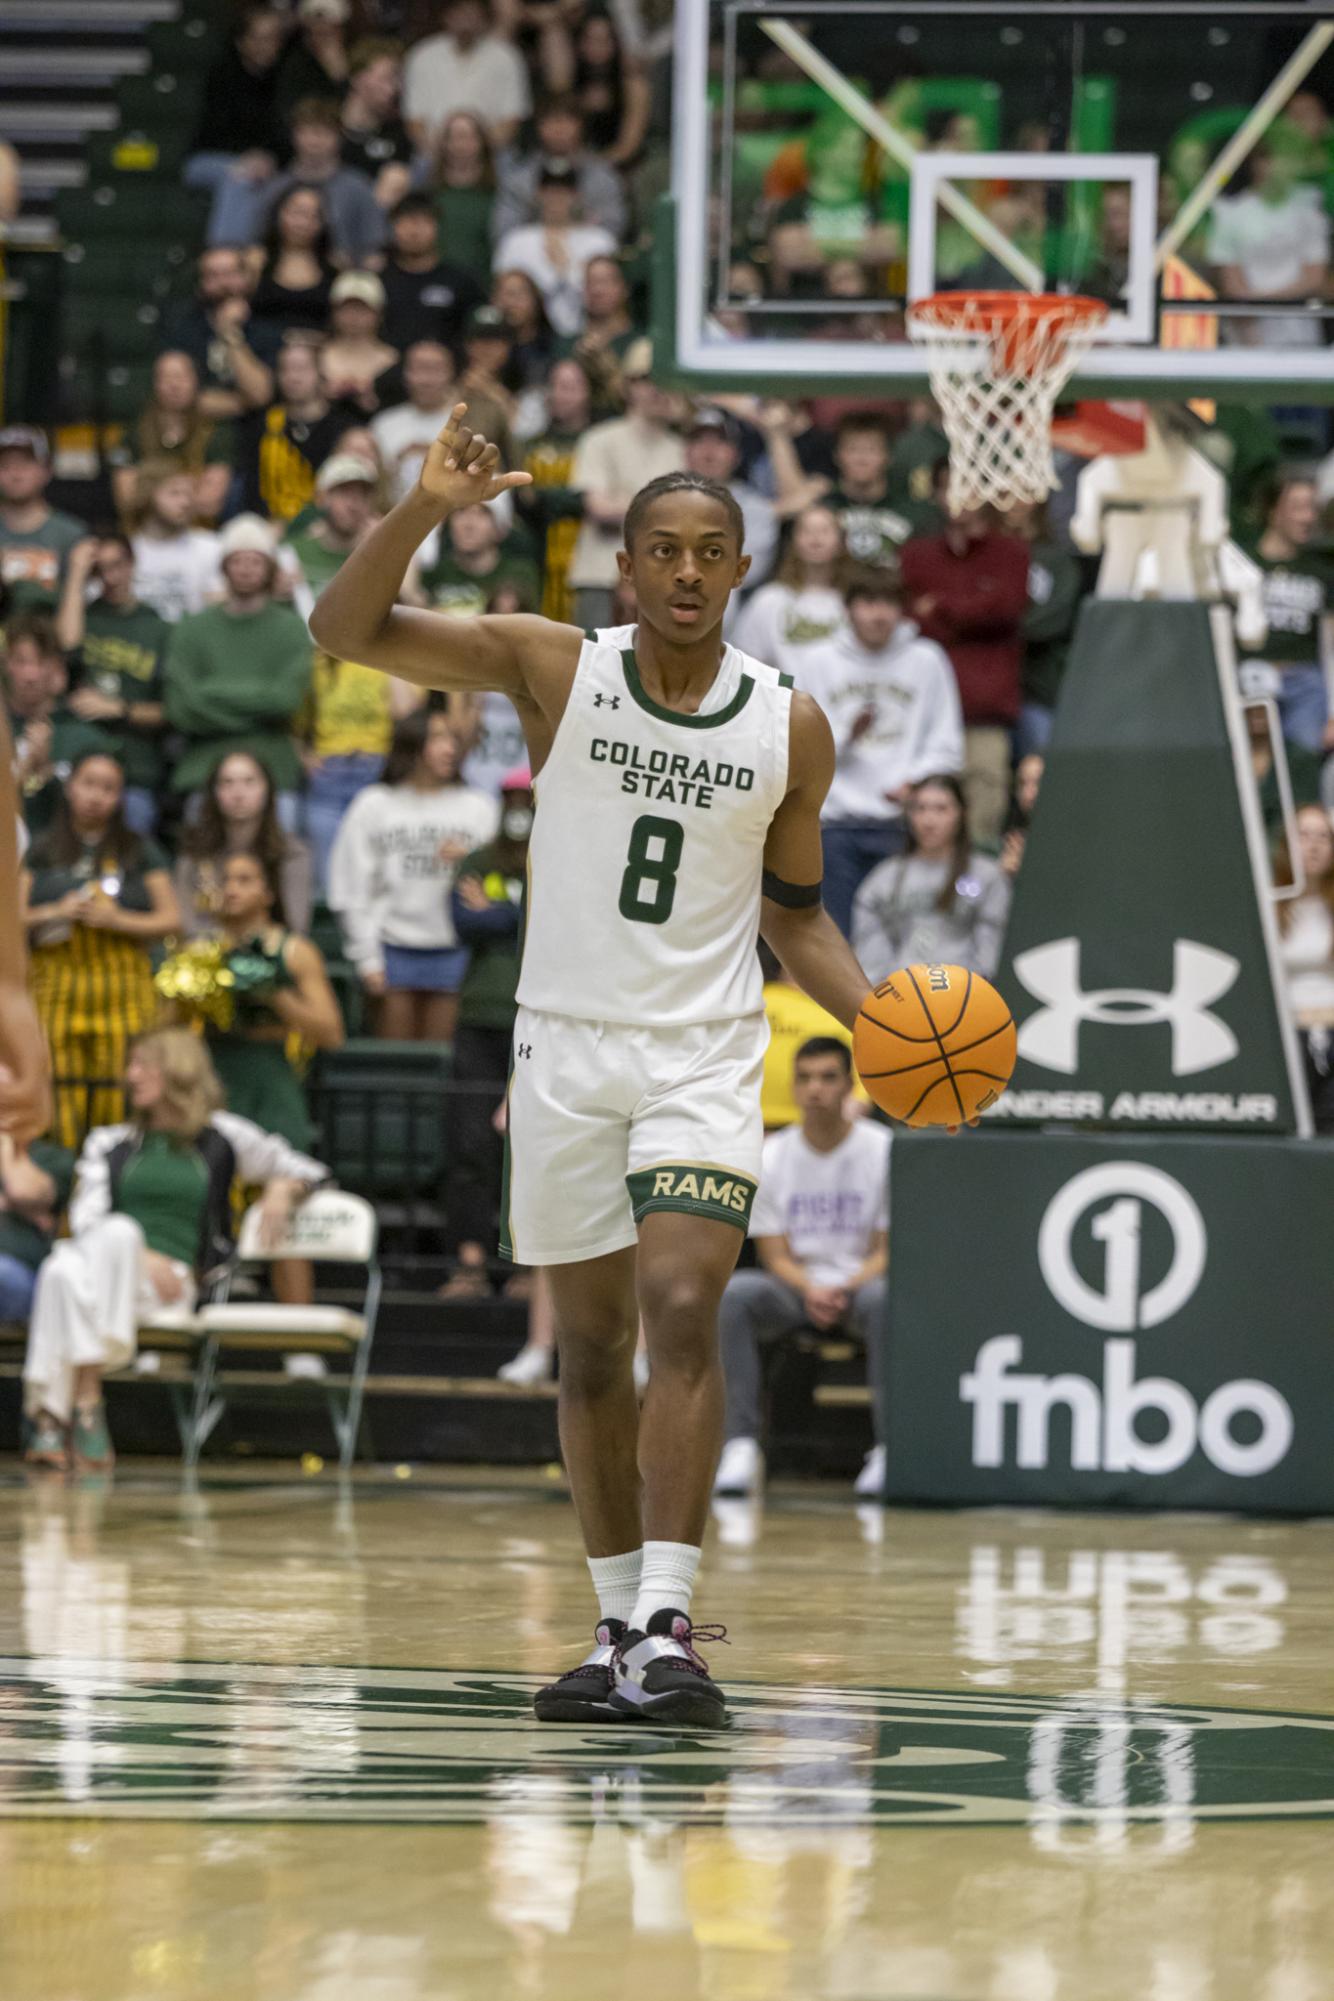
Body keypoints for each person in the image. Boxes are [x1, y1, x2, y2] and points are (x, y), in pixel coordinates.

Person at [310, 403, 877, 1730]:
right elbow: (342, 632)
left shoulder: (788, 727)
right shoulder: (553, 665)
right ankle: (618, 1630)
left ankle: (672, 1624)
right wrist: (419, 511)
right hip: (562, 1047)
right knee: (591, 1351)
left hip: (698, 1051)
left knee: (682, 1302)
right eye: (661, 548)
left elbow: (793, 913)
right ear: (625, 569)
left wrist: (882, 1022)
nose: (685, 571)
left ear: (743, 568)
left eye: (711, 549)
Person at [21, 1028, 328, 1475]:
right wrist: (141, 1255)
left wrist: (282, 1191)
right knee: (73, 1262)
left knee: (68, 1265)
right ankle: (85, 1403)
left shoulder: (222, 1135)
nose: (130, 1076)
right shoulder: (109, 1143)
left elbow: (311, 1170)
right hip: (116, 1275)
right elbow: (89, 1223)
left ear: (177, 1068)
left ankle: (51, 1415)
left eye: (142, 1065)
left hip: (171, 1285)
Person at [713, 1037, 890, 1501]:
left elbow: (886, 1251)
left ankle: (889, 1448)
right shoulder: (771, 1155)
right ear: (792, 1086)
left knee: (887, 1299)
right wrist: (812, 1289)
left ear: (849, 1086)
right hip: (794, 1289)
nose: (816, 1089)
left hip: (861, 1286)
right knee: (736, 1295)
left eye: (828, 1078)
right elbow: (774, 1255)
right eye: (805, 1078)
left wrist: (841, 1287)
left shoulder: (883, 1149)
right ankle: (741, 1446)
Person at [21, 749, 180, 1149]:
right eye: (89, 784)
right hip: (56, 988)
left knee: (119, 1089)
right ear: (70, 787)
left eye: (109, 788)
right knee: (59, 1090)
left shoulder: (139, 849)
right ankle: (62, 1182)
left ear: (120, 797)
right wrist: (55, 911)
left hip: (122, 991)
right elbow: (12, 917)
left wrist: (118, 919)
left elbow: (172, 920)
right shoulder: (42, 849)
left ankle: (115, 1174)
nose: (96, 796)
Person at [798, 574, 964, 938]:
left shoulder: (927, 659)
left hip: (902, 824)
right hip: (834, 826)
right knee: (834, 937)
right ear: (849, 609)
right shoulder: (817, 662)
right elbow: (797, 750)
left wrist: (916, 782)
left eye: (888, 604)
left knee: (898, 938)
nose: (879, 615)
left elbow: (947, 744)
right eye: (868, 603)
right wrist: (845, 736)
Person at [328, 709, 499, 1039]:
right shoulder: (374, 804)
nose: (449, 748)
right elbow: (349, 887)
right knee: (396, 1065)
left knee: (442, 1064)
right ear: (411, 743)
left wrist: (472, 858)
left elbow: (505, 873)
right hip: (392, 947)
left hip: (458, 951)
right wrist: (367, 959)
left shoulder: (478, 807)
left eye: (453, 738)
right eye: (437, 738)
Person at [439, 766, 532, 1297]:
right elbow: (463, 924)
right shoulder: (477, 860)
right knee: (471, 1143)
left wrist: (502, 910)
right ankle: (469, 1263)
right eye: (511, 798)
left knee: (532, 1146)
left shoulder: (558, 858)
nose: (519, 807)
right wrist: (519, 913)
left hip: (537, 1022)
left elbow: (560, 921)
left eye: (528, 798)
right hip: (479, 1017)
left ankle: (526, 1267)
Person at [163, 514, 313, 817]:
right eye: (237, 561)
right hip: (204, 770)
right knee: (200, 853)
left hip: (275, 772)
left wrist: (209, 692)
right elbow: (180, 709)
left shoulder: (292, 629)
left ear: (270, 568)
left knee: (281, 842)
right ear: (223, 567)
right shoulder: (191, 629)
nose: (245, 570)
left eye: (255, 561)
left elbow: (286, 701)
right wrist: (259, 710)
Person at [901, 506, 1029, 846]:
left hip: (983, 710)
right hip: (920, 716)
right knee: (923, 817)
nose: (961, 500)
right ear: (938, 494)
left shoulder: (1010, 552)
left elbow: (1006, 611)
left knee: (983, 828)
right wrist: (976, 611)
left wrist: (941, 606)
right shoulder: (917, 553)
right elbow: (909, 623)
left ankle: (974, 896)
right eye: (950, 487)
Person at [201, 851, 344, 1153]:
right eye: (225, 880)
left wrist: (274, 993)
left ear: (268, 893)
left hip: (270, 1074)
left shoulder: (295, 950)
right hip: (212, 1071)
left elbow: (331, 1033)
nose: (231, 889)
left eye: (244, 880)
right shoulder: (200, 951)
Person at [55, 533, 169, 837]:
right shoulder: (84, 617)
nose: (111, 577)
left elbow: (174, 711)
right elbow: (67, 645)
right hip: (80, 760)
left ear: (132, 563)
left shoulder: (158, 626)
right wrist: (77, 576)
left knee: (134, 821)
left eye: (117, 565)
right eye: (101, 569)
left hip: (136, 768)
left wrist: (119, 709)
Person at [566, 341, 684, 629]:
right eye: (645, 380)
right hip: (600, 574)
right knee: (594, 668)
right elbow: (598, 508)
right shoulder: (599, 439)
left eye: (663, 380)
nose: (656, 388)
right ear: (628, 386)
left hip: (663, 578)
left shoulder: (681, 447)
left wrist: (626, 503)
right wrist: (663, 509)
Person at [851, 772, 1011, 986]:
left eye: (941, 809)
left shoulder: (987, 875)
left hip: (965, 994)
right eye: (920, 809)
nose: (929, 820)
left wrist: (978, 986)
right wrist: (883, 986)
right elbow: (870, 944)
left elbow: (991, 946)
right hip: (900, 993)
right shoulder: (884, 878)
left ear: (961, 813)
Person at [225, 99, 387, 267]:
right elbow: (255, 244)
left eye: (323, 133)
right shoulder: (275, 187)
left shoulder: (357, 187)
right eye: (306, 132)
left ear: (340, 137)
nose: (314, 141)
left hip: (344, 279)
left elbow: (374, 251)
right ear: (294, 135)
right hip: (282, 278)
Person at [175, 749, 314, 940]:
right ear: (214, 792)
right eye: (227, 783)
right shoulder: (195, 851)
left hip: (270, 957)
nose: (238, 793)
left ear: (268, 789)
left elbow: (297, 927)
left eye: (249, 782)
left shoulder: (291, 852)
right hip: (208, 955)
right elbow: (187, 922)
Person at [1242, 473, 1334, 756]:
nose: (1307, 517)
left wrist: (1333, 713)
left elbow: (1331, 648)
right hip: (1247, 677)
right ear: (1272, 510)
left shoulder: (1321, 573)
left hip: (1304, 682)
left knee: (1301, 762)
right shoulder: (1242, 565)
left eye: (1312, 508)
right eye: (1297, 507)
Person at [1209, 142, 1329, 349]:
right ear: (1256, 164)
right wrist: (1251, 312)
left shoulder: (1309, 210)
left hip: (1300, 331)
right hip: (1247, 330)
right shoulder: (1228, 212)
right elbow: (1230, 281)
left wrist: (1263, 301)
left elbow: (1316, 277)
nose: (1279, 167)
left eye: (1287, 161)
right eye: (1271, 160)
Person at [184, 4, 288, 239]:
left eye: (273, 38)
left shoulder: (284, 78)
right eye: (259, 38)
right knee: (240, 179)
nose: (266, 46)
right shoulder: (222, 76)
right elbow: (216, 132)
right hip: (210, 159)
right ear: (242, 42)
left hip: (267, 166)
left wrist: (268, 157)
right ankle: (224, 256)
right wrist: (249, 158)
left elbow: (284, 137)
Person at [4, 613, 110, 840]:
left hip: (60, 859)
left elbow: (97, 817)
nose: (30, 674)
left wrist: (45, 771)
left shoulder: (86, 739)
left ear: (56, 668)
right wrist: (21, 772)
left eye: (40, 662)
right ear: (6, 664)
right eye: (21, 661)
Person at [492, 158, 618, 340]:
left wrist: (564, 270)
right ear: (538, 194)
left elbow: (608, 295)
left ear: (577, 195)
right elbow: (504, 296)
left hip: (588, 335)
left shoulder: (599, 240)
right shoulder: (516, 241)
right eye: (549, 191)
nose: (557, 198)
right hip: (529, 340)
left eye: (564, 191)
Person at [234, 339, 358, 522]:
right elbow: (252, 487)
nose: (293, 377)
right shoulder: (263, 425)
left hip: (326, 529)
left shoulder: (343, 428)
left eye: (301, 369)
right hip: (269, 526)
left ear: (320, 373)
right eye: (285, 369)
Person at [772, 413, 914, 568]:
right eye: (852, 450)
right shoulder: (823, 503)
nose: (862, 459)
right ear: (837, 456)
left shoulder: (911, 508)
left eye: (872, 450)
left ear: (888, 457)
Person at [111, 351, 233, 524]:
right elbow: (126, 498)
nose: (174, 385)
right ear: (154, 384)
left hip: (196, 535)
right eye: (166, 378)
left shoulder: (214, 432)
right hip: (145, 534)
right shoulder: (135, 431)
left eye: (181, 377)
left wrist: (155, 493)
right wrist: (178, 496)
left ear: (195, 382)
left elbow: (211, 502)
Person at [158, 246, 279, 420]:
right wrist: (246, 403)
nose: (223, 283)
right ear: (201, 284)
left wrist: (229, 333)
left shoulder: (266, 327)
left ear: (246, 278)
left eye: (230, 273)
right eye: (213, 275)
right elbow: (179, 398)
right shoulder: (185, 329)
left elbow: (260, 394)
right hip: (195, 429)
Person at [732, 504, 848, 680]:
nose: (815, 537)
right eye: (807, 531)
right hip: (784, 702)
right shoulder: (769, 599)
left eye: (825, 530)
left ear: (841, 542)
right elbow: (745, 663)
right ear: (793, 541)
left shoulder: (855, 600)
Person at [517, 356, 591, 624]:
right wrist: (577, 498)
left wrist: (551, 496)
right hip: (539, 550)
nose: (563, 395)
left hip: (586, 552)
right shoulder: (532, 444)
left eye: (572, 387)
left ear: (588, 392)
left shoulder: (596, 440)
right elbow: (525, 497)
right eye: (557, 386)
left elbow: (594, 497)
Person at [404, 0, 532, 153]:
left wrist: (478, 151)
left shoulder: (506, 56)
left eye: (471, 14)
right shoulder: (422, 55)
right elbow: (414, 120)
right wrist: (444, 152)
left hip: (492, 154)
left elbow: (512, 118)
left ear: (483, 18)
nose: (465, 21)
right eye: (459, 14)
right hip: (433, 154)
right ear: (446, 17)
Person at [494, 95, 627, 242]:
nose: (559, 129)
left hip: (588, 256)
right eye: (551, 121)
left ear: (580, 125)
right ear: (539, 127)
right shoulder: (518, 179)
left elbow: (613, 229)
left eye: (566, 121)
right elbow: (504, 231)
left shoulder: (603, 177)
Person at [1009, 498, 1083, 757]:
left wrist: (989, 625)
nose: (1014, 502)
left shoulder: (1056, 560)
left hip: (1038, 691)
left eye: (1023, 492)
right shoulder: (982, 554)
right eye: (1004, 492)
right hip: (986, 696)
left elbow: (1053, 620)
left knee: (1040, 773)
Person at [1276, 804, 1334, 1132]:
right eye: (1304, 835)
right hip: (1286, 1036)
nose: (1313, 845)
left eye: (1323, 836)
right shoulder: (1268, 902)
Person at [684, 408, 778, 603]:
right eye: (699, 441)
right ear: (686, 451)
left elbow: (749, 570)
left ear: (736, 454)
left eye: (720, 442)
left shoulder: (756, 508)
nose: (709, 452)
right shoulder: (660, 502)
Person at [378, 195, 484, 354]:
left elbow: (479, 333)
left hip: (447, 373)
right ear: (393, 227)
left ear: (438, 227)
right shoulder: (379, 281)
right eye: (405, 222)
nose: (413, 231)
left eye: (423, 222)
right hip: (388, 371)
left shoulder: (461, 281)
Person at [0, 426, 88, 616]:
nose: (15, 475)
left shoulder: (71, 534)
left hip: (50, 638)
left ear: (47, 470)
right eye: (5, 466)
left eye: (24, 465)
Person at [127, 465, 223, 623]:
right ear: (148, 496)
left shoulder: (212, 547)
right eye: (174, 493)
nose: (185, 502)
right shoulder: (126, 551)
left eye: (190, 494)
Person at [0, 1132, 75, 1326]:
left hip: (20, 1275)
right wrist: (26, 1209)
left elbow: (21, 1190)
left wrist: (7, 1144)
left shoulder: (52, 1157)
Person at [372, 341, 461, 503]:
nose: (426, 380)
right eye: (419, 369)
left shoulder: (466, 425)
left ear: (451, 374)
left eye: (435, 370)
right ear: (406, 374)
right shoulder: (383, 425)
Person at [248, 188, 338, 345]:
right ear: (278, 214)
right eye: (297, 213)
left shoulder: (335, 267)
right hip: (262, 350)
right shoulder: (255, 261)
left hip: (317, 356)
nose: (303, 223)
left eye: (314, 216)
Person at [420, 501, 540, 618]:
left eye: (482, 513)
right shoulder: (435, 571)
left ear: (500, 530)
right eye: (461, 511)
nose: (468, 524)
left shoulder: (519, 573)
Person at [339, 38, 416, 209]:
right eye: (386, 78)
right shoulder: (328, 128)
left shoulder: (397, 133)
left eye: (397, 80)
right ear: (357, 78)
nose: (395, 88)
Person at [427, 111, 498, 289]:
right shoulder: (429, 192)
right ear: (443, 144)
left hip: (483, 284)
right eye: (454, 137)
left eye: (468, 137)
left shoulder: (498, 193)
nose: (461, 144)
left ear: (482, 143)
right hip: (437, 284)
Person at [319, 271, 400, 408]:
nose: (354, 316)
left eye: (363, 308)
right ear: (334, 312)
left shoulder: (393, 359)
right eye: (346, 308)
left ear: (379, 313)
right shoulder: (317, 356)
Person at [277, 0, 350, 119]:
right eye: (315, 32)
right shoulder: (295, 65)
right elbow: (286, 113)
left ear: (341, 31)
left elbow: (354, 115)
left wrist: (341, 78)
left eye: (328, 32)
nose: (320, 40)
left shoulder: (356, 60)